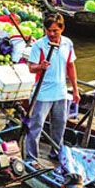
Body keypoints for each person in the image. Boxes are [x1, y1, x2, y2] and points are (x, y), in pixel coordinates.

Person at [26, 13, 79, 161]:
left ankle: (55, 153)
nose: (51, 34)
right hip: (42, 94)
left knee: (59, 126)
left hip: (60, 93)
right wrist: (40, 66)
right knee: (36, 127)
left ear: (62, 29)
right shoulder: (39, 45)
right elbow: (31, 68)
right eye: (48, 30)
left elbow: (70, 66)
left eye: (55, 30)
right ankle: (32, 158)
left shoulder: (67, 44)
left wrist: (75, 90)